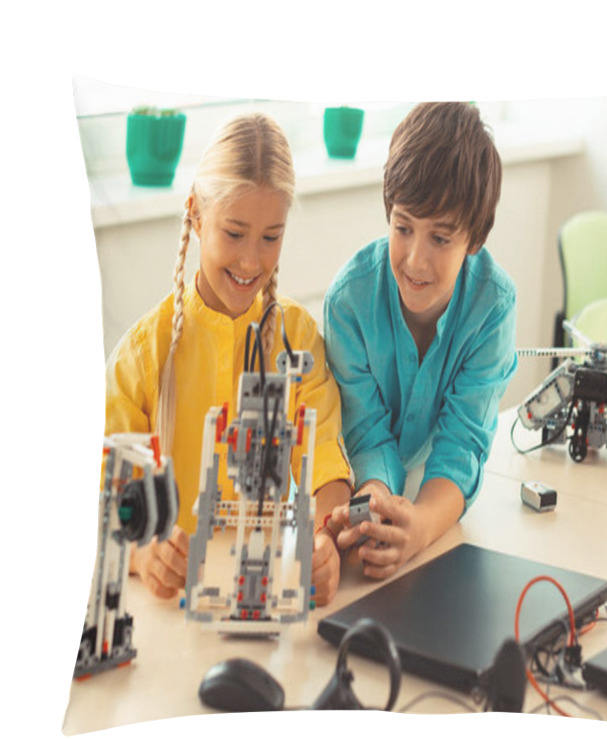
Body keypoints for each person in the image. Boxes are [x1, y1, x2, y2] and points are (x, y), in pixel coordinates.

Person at [105, 113, 352, 605]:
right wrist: (140, 555)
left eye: (270, 237)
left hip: (257, 602)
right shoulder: (141, 357)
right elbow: (102, 499)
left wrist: (322, 543)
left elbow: (326, 463)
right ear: (196, 215)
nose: (250, 261)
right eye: (234, 233)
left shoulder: (298, 340)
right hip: (168, 613)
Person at [323, 102, 517, 580]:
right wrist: (374, 505)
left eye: (440, 239)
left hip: (433, 486)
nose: (413, 260)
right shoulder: (348, 303)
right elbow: (365, 433)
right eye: (403, 227)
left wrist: (422, 527)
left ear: (475, 237)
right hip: (358, 474)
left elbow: (462, 444)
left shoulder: (493, 307)